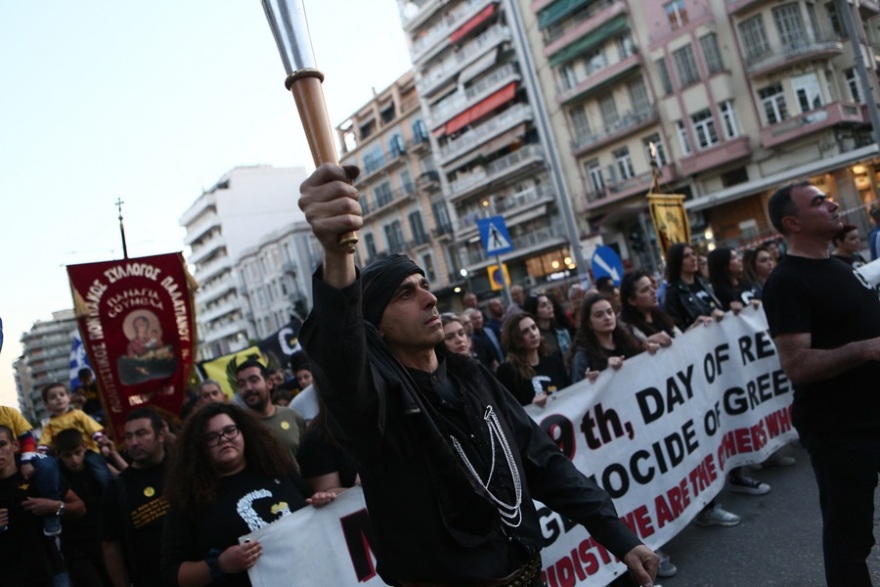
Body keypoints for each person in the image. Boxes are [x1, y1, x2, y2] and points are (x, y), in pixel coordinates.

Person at [298, 163, 658, 587]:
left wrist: (616, 535)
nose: (430, 299)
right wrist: (338, 253)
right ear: (375, 326)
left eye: (424, 284)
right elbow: (342, 366)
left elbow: (541, 461)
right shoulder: (378, 405)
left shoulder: (473, 377)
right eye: (405, 294)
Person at [763, 180, 880, 586]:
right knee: (850, 538)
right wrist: (865, 350)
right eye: (819, 202)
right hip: (840, 429)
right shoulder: (786, 283)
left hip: (874, 412)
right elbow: (796, 363)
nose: (832, 204)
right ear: (792, 222)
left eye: (828, 198)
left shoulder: (842, 267)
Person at [161, 403, 321, 587]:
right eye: (211, 437)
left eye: (230, 430)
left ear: (244, 432)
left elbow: (310, 513)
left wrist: (320, 502)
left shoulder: (278, 469)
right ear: (199, 447)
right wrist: (220, 565)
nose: (223, 439)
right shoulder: (188, 500)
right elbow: (171, 574)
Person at [0, 424, 85, 587]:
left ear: (15, 445)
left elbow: (80, 507)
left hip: (51, 571)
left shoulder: (39, 475)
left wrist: (55, 506)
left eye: (2, 444)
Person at [102, 408, 170, 587]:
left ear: (161, 434)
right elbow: (111, 547)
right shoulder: (118, 488)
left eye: (141, 434)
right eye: (128, 436)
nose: (133, 443)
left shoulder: (183, 469)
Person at [54, 428, 112, 586]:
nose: (74, 459)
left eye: (77, 452)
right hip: (75, 545)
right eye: (67, 455)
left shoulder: (97, 469)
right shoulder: (56, 477)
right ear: (58, 454)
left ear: (85, 447)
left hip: (104, 538)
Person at [235, 359, 307, 471]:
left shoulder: (293, 416)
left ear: (269, 382)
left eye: (254, 380)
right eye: (242, 384)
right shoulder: (239, 428)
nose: (248, 388)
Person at [38, 382, 112, 491]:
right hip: (64, 457)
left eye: (62, 395)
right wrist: (40, 458)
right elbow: (44, 444)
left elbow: (93, 430)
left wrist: (102, 443)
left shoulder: (78, 414)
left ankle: (112, 492)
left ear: (69, 397)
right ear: (46, 404)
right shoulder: (49, 425)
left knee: (101, 472)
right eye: (53, 397)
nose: (59, 398)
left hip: (88, 451)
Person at [497, 312, 571, 407]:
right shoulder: (507, 371)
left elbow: (570, 393)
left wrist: (589, 383)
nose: (533, 334)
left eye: (534, 327)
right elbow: (509, 410)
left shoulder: (554, 362)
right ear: (515, 338)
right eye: (525, 332)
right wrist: (532, 406)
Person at [568, 294, 646, 384]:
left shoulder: (630, 342)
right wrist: (603, 375)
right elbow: (579, 393)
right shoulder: (583, 357)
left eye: (609, 312)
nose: (607, 318)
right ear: (589, 323)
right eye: (599, 315)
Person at [662, 243, 724, 331]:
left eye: (693, 254)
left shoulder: (703, 283)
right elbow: (676, 330)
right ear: (676, 262)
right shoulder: (672, 293)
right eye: (686, 256)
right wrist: (694, 326)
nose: (693, 259)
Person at [706, 247, 760, 311]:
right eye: (734, 258)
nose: (739, 260)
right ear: (723, 264)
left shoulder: (748, 283)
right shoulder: (717, 295)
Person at [523, 294, 573, 362]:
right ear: (535, 311)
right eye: (543, 305)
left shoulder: (562, 332)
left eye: (549, 303)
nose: (549, 307)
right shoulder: (534, 336)